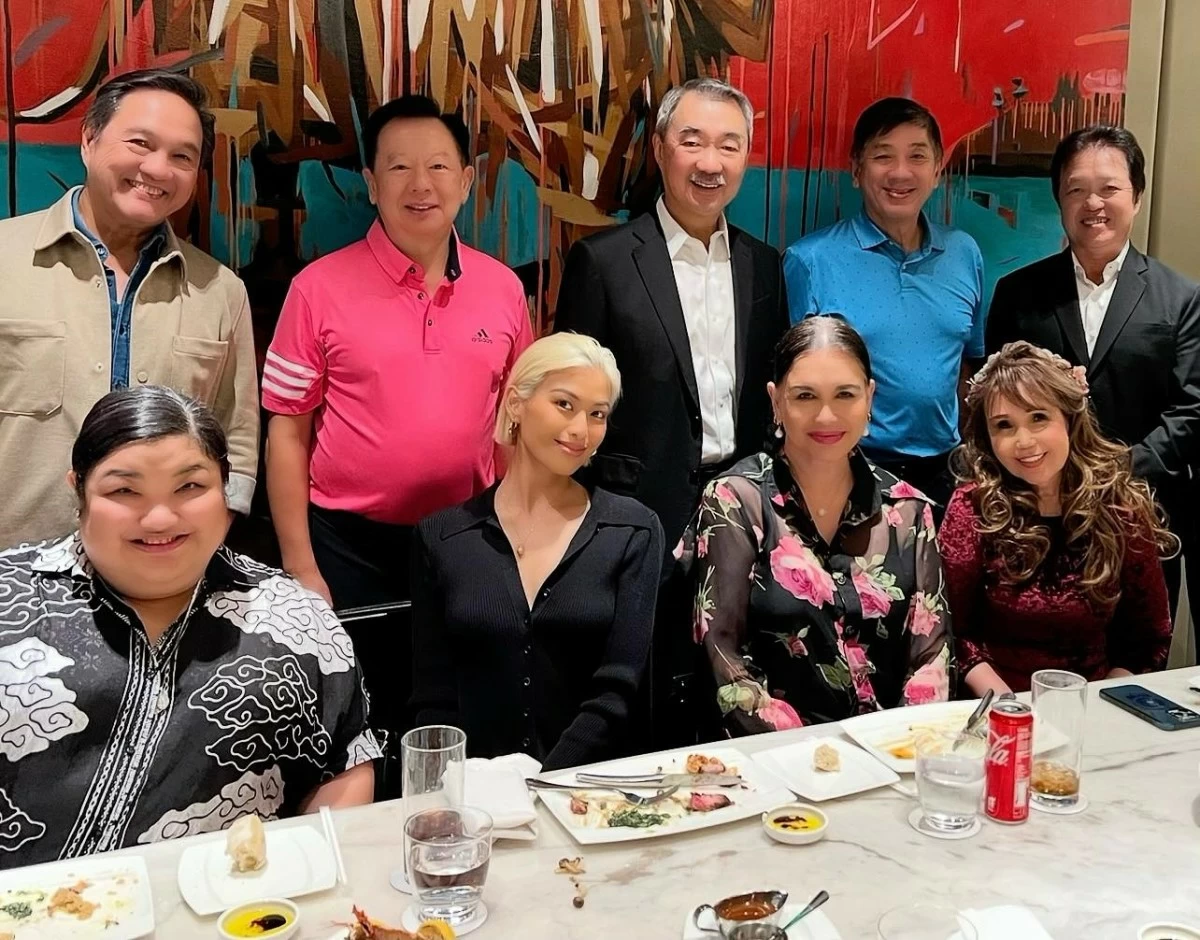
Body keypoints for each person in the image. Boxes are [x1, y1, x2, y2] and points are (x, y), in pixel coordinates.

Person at [0, 387, 379, 869]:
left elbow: (341, 770)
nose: (160, 517)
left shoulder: (294, 617)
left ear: (226, 489)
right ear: (79, 489)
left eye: (190, 487)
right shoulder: (9, 600)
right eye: (124, 491)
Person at [263, 95, 533, 730]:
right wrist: (300, 564)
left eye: (439, 167)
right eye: (399, 168)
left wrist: (520, 533)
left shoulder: (503, 288)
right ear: (371, 183)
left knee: (456, 711)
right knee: (352, 716)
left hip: (471, 537)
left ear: (466, 181)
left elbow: (517, 424)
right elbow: (286, 430)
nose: (421, 185)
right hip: (347, 546)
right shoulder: (316, 289)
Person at [554, 77, 787, 743]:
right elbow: (569, 409)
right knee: (642, 685)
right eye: (692, 141)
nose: (710, 162)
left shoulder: (764, 267)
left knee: (734, 674)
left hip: (742, 505)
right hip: (635, 509)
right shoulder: (603, 262)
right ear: (660, 149)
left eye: (728, 145)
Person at [0, 69, 259, 549]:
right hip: (14, 574)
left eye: (182, 156)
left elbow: (235, 441)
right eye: (140, 144)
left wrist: (205, 537)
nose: (159, 169)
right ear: (89, 140)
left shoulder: (221, 292)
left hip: (163, 573)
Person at [683, 317, 951, 736]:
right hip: (775, 764)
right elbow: (723, 658)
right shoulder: (735, 501)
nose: (826, 416)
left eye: (845, 394)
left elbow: (931, 661)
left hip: (893, 757)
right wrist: (817, 756)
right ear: (775, 402)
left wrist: (901, 749)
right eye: (805, 396)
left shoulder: (910, 511)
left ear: (870, 398)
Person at [411, 334, 663, 770]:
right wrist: (453, 792)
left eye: (597, 414)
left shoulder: (632, 530)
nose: (580, 430)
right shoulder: (442, 537)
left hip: (593, 794)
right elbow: (433, 699)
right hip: (476, 799)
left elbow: (617, 690)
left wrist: (539, 784)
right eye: (564, 404)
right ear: (515, 404)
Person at [985, 125, 1200, 618]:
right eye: (1076, 189)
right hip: (1033, 519)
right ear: (1059, 199)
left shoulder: (1181, 299)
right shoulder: (1018, 294)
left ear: (1137, 196)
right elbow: (995, 402)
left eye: (1109, 188)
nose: (1093, 203)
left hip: (1138, 514)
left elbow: (1192, 411)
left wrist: (1112, 472)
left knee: (1133, 667)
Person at [782, 97, 984, 512]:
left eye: (917, 156)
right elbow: (793, 385)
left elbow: (969, 366)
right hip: (849, 471)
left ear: (938, 167)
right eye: (882, 156)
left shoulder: (964, 254)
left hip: (947, 475)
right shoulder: (810, 260)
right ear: (856, 169)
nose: (900, 173)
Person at [939, 342, 1175, 695]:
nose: (1024, 441)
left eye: (1038, 418)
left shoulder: (1121, 507)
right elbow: (953, 631)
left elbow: (1148, 637)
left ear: (1069, 417)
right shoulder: (972, 508)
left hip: (1094, 706)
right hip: (993, 706)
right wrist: (1010, 705)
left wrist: (1096, 703)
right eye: (1004, 425)